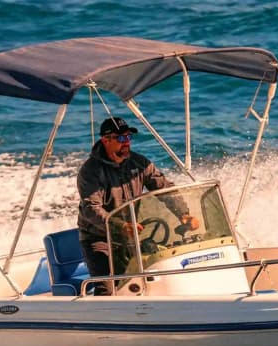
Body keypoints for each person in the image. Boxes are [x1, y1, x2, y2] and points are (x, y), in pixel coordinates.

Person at [74, 117, 193, 291]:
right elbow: (91, 209)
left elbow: (164, 188)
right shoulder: (90, 171)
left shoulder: (139, 163)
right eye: (121, 138)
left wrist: (183, 213)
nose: (126, 142)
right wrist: (120, 226)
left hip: (129, 235)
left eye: (129, 137)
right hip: (99, 237)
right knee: (107, 289)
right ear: (106, 140)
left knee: (147, 278)